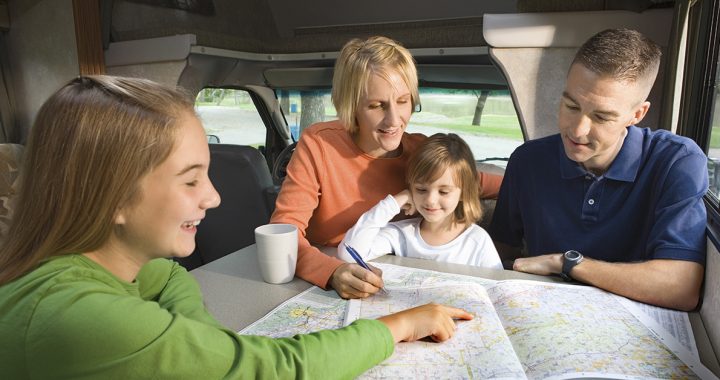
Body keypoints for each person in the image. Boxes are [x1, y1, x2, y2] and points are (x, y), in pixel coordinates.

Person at [0, 75, 474, 379]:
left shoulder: (77, 266)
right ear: (112, 195)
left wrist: (201, 338)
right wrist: (398, 326)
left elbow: (165, 276)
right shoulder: (88, 320)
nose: (214, 197)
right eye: (191, 179)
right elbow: (277, 370)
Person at [488, 28, 708, 311]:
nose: (577, 130)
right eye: (571, 105)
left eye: (601, 117)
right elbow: (501, 252)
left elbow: (680, 286)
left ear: (637, 114)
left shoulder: (677, 161)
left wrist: (567, 263)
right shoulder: (526, 161)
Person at [271, 36, 503, 299]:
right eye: (377, 105)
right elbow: (283, 232)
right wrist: (332, 272)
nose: (394, 120)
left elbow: (475, 182)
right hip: (321, 285)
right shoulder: (318, 144)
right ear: (351, 106)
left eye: (403, 101)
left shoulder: (420, 151)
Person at [339, 133, 502, 269]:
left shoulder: (477, 241)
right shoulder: (402, 234)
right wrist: (395, 202)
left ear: (463, 192)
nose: (431, 200)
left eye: (444, 191)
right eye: (421, 190)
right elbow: (349, 254)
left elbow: (498, 290)